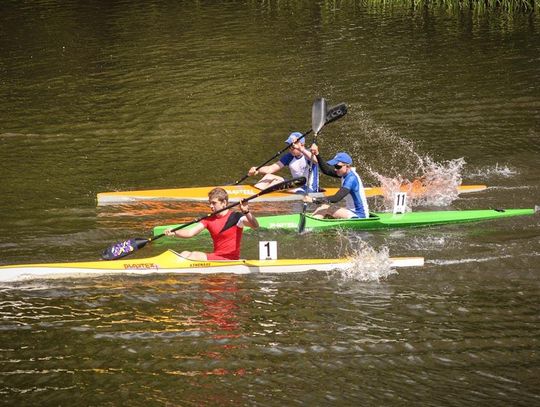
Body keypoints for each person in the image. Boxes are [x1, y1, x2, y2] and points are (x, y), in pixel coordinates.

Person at [164, 187, 259, 260]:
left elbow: (255, 225)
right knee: (185, 253)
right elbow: (190, 233)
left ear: (224, 203)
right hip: (216, 257)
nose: (211, 206)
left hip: (230, 259)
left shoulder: (236, 217)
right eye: (210, 203)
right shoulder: (209, 219)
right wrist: (175, 232)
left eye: (214, 203)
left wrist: (246, 212)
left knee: (194, 255)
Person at [303, 146, 369, 219]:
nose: (335, 169)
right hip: (351, 211)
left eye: (338, 166)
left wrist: (313, 200)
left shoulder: (351, 179)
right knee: (321, 208)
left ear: (347, 166)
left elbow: (336, 198)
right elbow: (326, 170)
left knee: (325, 208)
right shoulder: (345, 173)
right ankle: (310, 221)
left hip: (360, 215)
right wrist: (317, 154)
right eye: (335, 166)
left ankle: (309, 226)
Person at [248, 132, 319, 193]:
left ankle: (263, 198)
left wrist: (301, 149)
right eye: (289, 146)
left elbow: (316, 160)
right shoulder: (289, 156)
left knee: (276, 182)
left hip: (309, 190)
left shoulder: (309, 154)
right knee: (268, 176)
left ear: (302, 145)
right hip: (295, 185)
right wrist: (257, 169)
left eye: (292, 146)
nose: (290, 149)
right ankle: (254, 195)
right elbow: (271, 169)